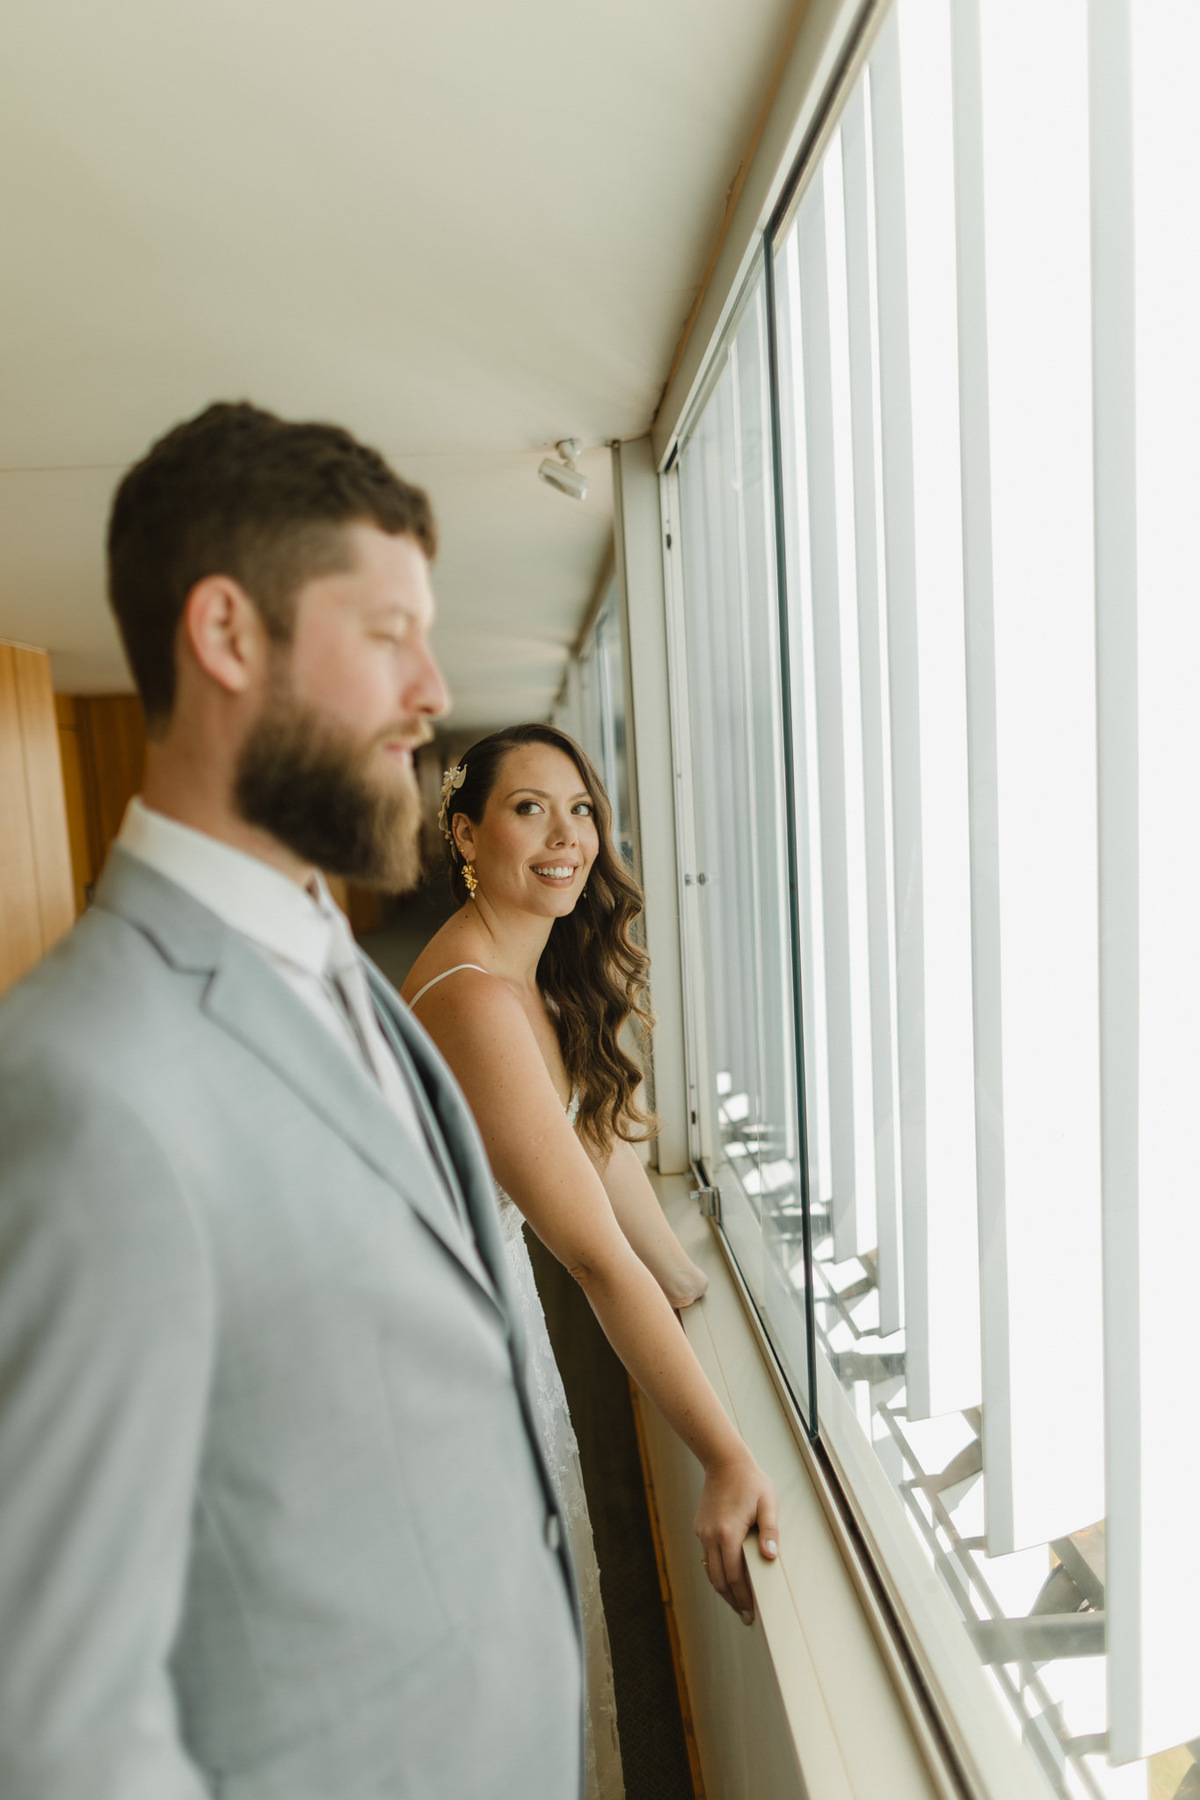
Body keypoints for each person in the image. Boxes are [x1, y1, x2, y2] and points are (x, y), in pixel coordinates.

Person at [0, 404, 583, 1800]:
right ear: (227, 634)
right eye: (388, 635)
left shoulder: (340, 963)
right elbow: (57, 1721)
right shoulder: (83, 1085)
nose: (432, 688)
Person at [402, 721, 780, 1800]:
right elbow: (596, 1259)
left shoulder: (530, 969)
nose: (567, 835)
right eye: (530, 808)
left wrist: (699, 1283)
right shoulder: (474, 996)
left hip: (485, 1320)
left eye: (582, 810)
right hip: (445, 1352)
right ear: (467, 834)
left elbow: (606, 1167)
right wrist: (725, 1452)